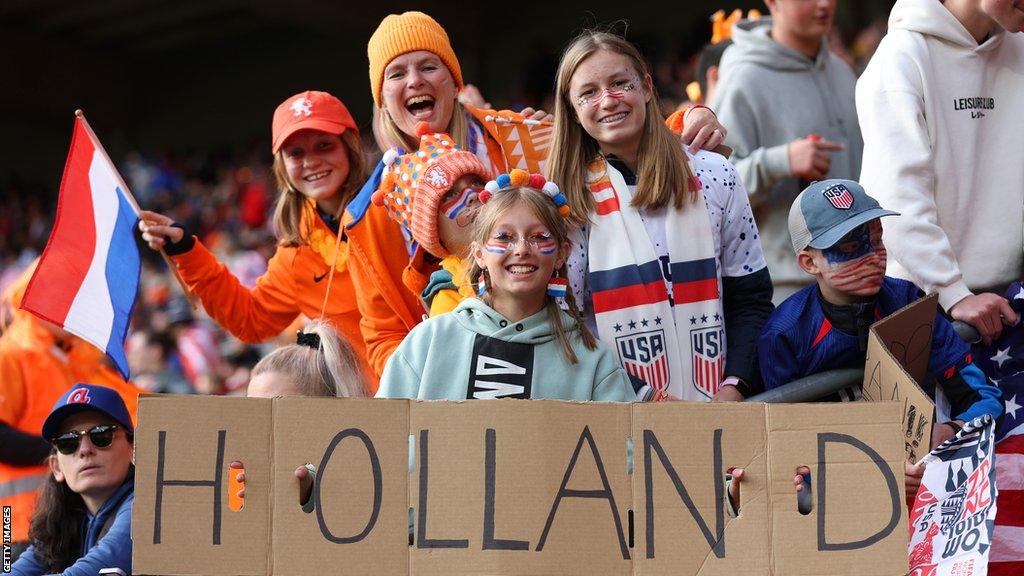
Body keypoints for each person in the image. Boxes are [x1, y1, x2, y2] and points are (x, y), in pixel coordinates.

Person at [346, 11, 730, 378]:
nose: (415, 81)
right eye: (397, 73)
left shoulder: (520, 136)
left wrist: (689, 120)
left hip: (558, 354)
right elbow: (383, 336)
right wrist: (437, 376)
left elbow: (614, 137)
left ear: (454, 80)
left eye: (429, 66)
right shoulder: (370, 214)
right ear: (381, 96)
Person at [546, 31, 774, 403]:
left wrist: (735, 386)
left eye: (621, 83)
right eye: (588, 92)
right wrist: (646, 399)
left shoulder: (715, 173)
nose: (608, 100)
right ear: (572, 109)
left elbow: (750, 297)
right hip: (619, 414)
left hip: (722, 410)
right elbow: (565, 322)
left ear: (647, 87)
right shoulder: (565, 201)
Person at [758, 180, 1003, 495]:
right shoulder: (785, 333)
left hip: (928, 494)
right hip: (840, 505)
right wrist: (874, 472)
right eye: (849, 248)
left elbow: (985, 398)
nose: (872, 257)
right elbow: (787, 452)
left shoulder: (908, 302)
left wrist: (949, 433)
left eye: (876, 239)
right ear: (809, 262)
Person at [138, 90, 376, 391]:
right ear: (282, 166)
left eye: (324, 146)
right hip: (360, 412)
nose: (311, 162)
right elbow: (252, 319)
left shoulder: (392, 206)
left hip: (424, 394)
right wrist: (187, 251)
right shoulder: (297, 249)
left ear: (350, 146)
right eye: (296, 153)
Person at [376, 172, 634, 402]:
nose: (521, 249)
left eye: (538, 237)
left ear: (561, 255)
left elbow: (622, 450)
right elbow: (386, 437)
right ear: (478, 254)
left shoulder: (594, 361)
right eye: (504, 237)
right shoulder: (427, 342)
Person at [856, 0, 1024, 346]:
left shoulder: (1017, 45)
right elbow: (893, 200)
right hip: (929, 313)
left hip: (1011, 306)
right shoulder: (901, 57)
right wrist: (953, 291)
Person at [710, 0, 862, 302]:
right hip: (787, 289)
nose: (824, 4)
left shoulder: (842, 71)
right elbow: (712, 187)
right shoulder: (744, 78)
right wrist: (780, 162)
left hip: (857, 275)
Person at [0, 262, 140, 562]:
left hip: (64, 513)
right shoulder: (9, 354)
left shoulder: (72, 359)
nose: (68, 308)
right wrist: (66, 447)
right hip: (12, 521)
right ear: (33, 299)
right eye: (59, 297)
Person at [231, 321, 367, 514]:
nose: (260, 425)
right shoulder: (245, 475)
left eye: (276, 410)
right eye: (253, 411)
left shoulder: (359, 473)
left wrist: (307, 493)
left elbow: (313, 480)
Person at [11, 384, 136, 576]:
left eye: (101, 435)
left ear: (134, 449)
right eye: (68, 442)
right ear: (57, 467)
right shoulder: (62, 520)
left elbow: (87, 572)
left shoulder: (148, 504)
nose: (85, 450)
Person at [372, 122, 492, 315]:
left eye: (477, 182)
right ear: (434, 232)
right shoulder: (447, 302)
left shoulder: (529, 251)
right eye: (450, 195)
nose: (471, 195)